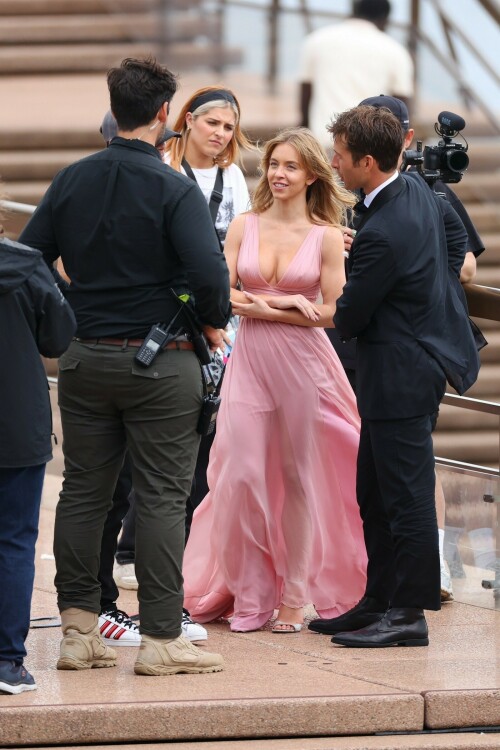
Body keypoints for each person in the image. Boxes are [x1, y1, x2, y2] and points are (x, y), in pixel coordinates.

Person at [20, 56, 230, 676]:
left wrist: (71, 305)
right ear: (165, 114)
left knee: (84, 493)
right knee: (163, 497)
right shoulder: (174, 187)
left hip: (85, 357)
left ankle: (78, 633)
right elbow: (211, 281)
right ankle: (162, 639)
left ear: (116, 109)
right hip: (162, 362)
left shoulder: (71, 179)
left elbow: (30, 259)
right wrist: (203, 312)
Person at [183, 126, 367, 634]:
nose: (278, 174)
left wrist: (276, 306)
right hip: (252, 360)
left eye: (289, 166)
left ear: (312, 174)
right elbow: (220, 295)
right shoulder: (244, 225)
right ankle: (250, 591)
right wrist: (280, 304)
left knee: (297, 479)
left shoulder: (327, 235)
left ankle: (293, 595)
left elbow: (332, 313)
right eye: (273, 165)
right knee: (238, 473)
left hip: (306, 366)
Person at [313, 105, 479, 648]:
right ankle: (378, 599)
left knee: (404, 497)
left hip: (401, 372)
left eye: (339, 156)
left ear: (366, 161)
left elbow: (351, 313)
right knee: (373, 490)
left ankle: (408, 614)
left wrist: (347, 268)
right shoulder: (409, 190)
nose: (333, 164)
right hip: (408, 363)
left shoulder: (385, 225)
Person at [164, 85, 251, 536]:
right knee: (165, 437)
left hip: (222, 317)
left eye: (228, 127)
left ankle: (194, 541)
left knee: (211, 431)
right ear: (189, 119)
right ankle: (132, 548)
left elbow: (245, 239)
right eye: (212, 122)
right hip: (169, 314)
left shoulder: (232, 176)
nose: (219, 133)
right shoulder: (164, 168)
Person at [0, 192, 76, 694]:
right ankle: (7, 661)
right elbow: (58, 336)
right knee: (14, 540)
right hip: (16, 422)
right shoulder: (26, 267)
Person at [298, 0, 413, 149]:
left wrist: (304, 141)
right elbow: (401, 107)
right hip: (370, 148)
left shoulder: (316, 40)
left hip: (323, 141)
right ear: (385, 19)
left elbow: (306, 96)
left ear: (353, 10)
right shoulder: (396, 51)